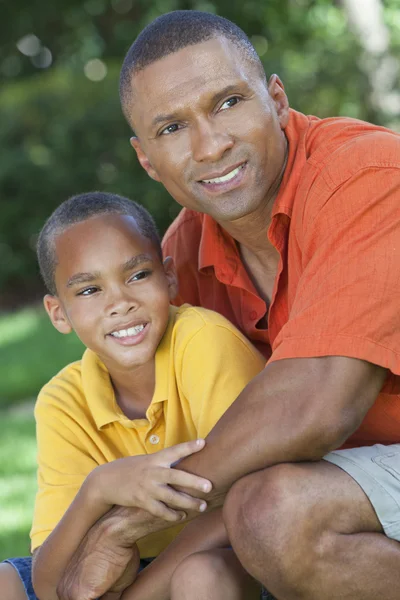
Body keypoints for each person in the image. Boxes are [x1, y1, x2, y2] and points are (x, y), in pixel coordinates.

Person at [47, 10, 400, 600]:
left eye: (229, 102)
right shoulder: (176, 260)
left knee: (275, 512)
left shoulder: (368, 178)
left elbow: (313, 407)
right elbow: (218, 456)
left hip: (330, 493)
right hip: (348, 493)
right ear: (146, 159)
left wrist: (129, 520)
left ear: (277, 99)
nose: (211, 145)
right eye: (171, 128)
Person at [0, 191, 265, 600]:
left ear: (169, 277)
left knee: (201, 577)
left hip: (229, 550)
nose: (120, 304)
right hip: (120, 565)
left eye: (138, 275)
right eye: (89, 291)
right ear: (58, 313)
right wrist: (98, 489)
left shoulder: (203, 341)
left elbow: (247, 503)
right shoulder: (62, 401)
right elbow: (50, 584)